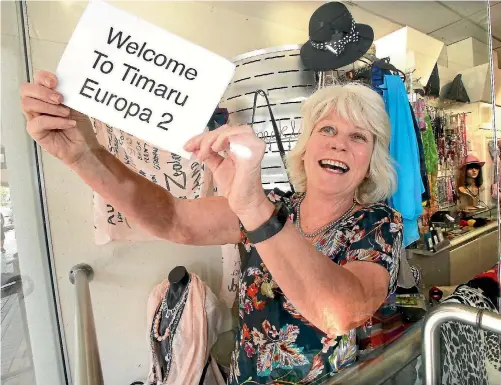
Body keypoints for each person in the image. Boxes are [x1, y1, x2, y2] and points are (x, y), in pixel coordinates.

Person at [20, 71, 402, 384]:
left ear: (372, 159)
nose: (339, 145)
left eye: (358, 137)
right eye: (328, 130)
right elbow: (173, 219)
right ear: (307, 145)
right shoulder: (277, 206)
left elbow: (343, 312)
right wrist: (85, 155)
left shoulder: (377, 223)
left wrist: (254, 208)